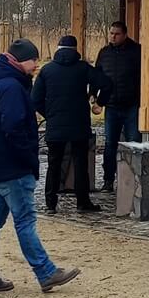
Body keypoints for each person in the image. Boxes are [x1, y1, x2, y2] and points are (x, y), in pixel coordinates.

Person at [0, 38, 80, 295]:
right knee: (25, 221)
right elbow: (13, 127)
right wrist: (28, 158)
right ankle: (45, 272)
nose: (36, 65)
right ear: (21, 60)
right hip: (13, 166)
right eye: (34, 60)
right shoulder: (11, 87)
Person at [32, 34, 112, 213]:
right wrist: (99, 102)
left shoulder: (47, 70)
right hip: (79, 124)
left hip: (55, 125)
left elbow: (35, 99)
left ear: (58, 49)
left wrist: (50, 115)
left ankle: (51, 203)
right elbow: (106, 84)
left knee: (54, 164)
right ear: (76, 50)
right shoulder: (83, 68)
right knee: (80, 164)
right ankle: (83, 202)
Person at [93, 21, 142, 193]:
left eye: (117, 34)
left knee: (134, 143)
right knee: (109, 144)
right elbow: (97, 75)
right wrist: (94, 95)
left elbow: (145, 75)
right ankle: (108, 180)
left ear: (125, 34)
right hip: (111, 106)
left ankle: (134, 179)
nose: (113, 37)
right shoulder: (104, 53)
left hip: (131, 105)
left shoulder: (136, 51)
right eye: (111, 33)